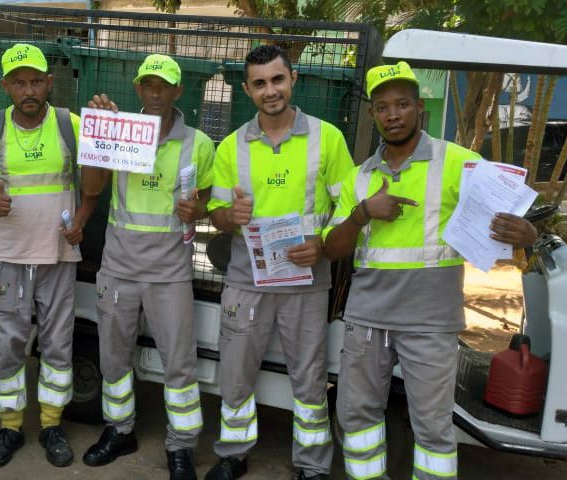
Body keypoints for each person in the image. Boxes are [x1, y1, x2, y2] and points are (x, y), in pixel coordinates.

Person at [323, 62, 538, 480]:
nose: (393, 114)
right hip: (367, 318)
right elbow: (332, 248)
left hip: (431, 321)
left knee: (433, 427)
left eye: (402, 104)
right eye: (383, 107)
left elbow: (504, 222)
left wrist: (525, 232)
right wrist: (362, 213)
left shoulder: (458, 162)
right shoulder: (359, 178)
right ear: (373, 114)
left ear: (419, 107)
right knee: (357, 418)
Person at [205, 45, 353, 480]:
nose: (270, 91)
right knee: (235, 372)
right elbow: (215, 212)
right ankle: (233, 454)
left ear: (293, 79)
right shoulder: (232, 147)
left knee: (309, 380)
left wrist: (324, 244)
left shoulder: (328, 139)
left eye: (277, 79)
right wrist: (227, 217)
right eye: (260, 83)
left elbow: (348, 206)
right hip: (247, 281)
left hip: (307, 282)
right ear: (248, 90)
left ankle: (311, 466)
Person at [0, 43, 97, 469]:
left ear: (49, 83)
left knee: (58, 345)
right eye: (19, 82)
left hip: (58, 255)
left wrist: (82, 218)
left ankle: (52, 425)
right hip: (8, 258)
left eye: (36, 80)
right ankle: (11, 426)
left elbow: (94, 184)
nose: (28, 89)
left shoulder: (69, 125)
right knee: (7, 346)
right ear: (6, 86)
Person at [81, 54, 215, 480]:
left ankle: (181, 447)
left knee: (179, 363)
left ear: (178, 91)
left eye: (164, 86)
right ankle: (120, 431)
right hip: (119, 267)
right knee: (114, 357)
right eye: (148, 85)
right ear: (138, 89)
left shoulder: (199, 143)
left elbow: (206, 202)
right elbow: (91, 188)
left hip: (169, 271)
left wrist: (198, 208)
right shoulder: (121, 131)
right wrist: (100, 137)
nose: (155, 93)